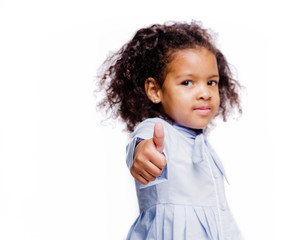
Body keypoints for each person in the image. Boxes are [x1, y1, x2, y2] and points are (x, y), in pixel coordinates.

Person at [97, 21, 244, 239]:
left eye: (212, 82)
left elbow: (220, 218)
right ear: (155, 90)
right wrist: (143, 152)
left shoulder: (202, 144)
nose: (205, 92)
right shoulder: (158, 130)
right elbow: (142, 144)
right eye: (187, 82)